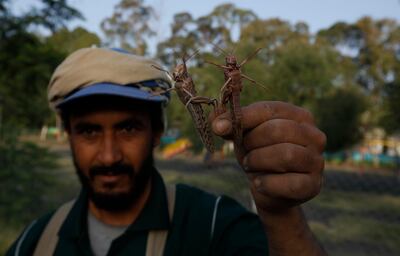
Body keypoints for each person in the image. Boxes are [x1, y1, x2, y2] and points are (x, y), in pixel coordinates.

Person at [6, 47, 327, 256]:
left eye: (128, 128)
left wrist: (280, 216)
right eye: (89, 131)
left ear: (157, 131)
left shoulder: (216, 225)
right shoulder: (34, 243)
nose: (108, 156)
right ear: (68, 135)